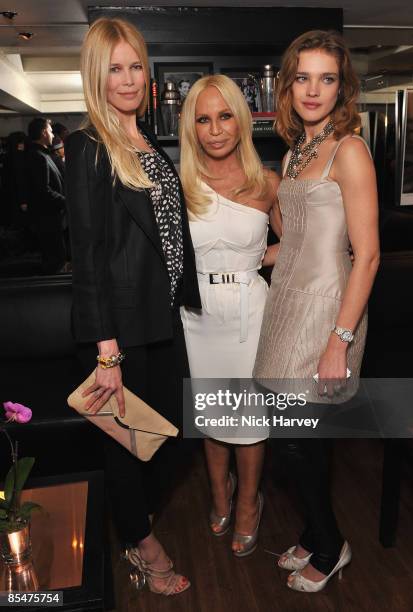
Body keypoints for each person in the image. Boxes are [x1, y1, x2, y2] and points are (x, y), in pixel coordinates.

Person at [65, 17, 200, 596]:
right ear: (97, 76)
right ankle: (141, 544)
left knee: (164, 438)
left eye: (135, 66)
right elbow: (89, 254)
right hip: (121, 332)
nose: (127, 79)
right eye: (114, 68)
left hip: (162, 318)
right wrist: (106, 350)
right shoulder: (89, 146)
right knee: (125, 443)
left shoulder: (147, 141)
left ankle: (135, 524)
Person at [253, 30, 380, 592]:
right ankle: (312, 529)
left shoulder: (349, 149)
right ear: (287, 85)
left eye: (326, 78)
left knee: (301, 439)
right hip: (287, 303)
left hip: (329, 310)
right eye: (302, 77)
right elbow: (298, 233)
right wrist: (260, 246)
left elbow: (368, 253)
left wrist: (340, 340)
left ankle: (330, 546)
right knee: (289, 436)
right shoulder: (296, 150)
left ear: (341, 87)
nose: (313, 89)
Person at [179, 74, 281, 556]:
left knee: (249, 418)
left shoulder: (268, 183)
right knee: (211, 413)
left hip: (250, 312)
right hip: (197, 315)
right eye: (203, 118)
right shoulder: (180, 185)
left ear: (241, 121)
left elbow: (299, 248)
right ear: (191, 127)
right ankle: (220, 494)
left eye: (224, 116)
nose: (215, 129)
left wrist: (251, 260)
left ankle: (248, 503)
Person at [27, 117, 66, 274]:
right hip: (47, 216)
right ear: (43, 133)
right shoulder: (38, 156)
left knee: (54, 254)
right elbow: (44, 190)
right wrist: (67, 202)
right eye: (50, 131)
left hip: (48, 215)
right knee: (54, 256)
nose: (52, 135)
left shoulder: (41, 154)